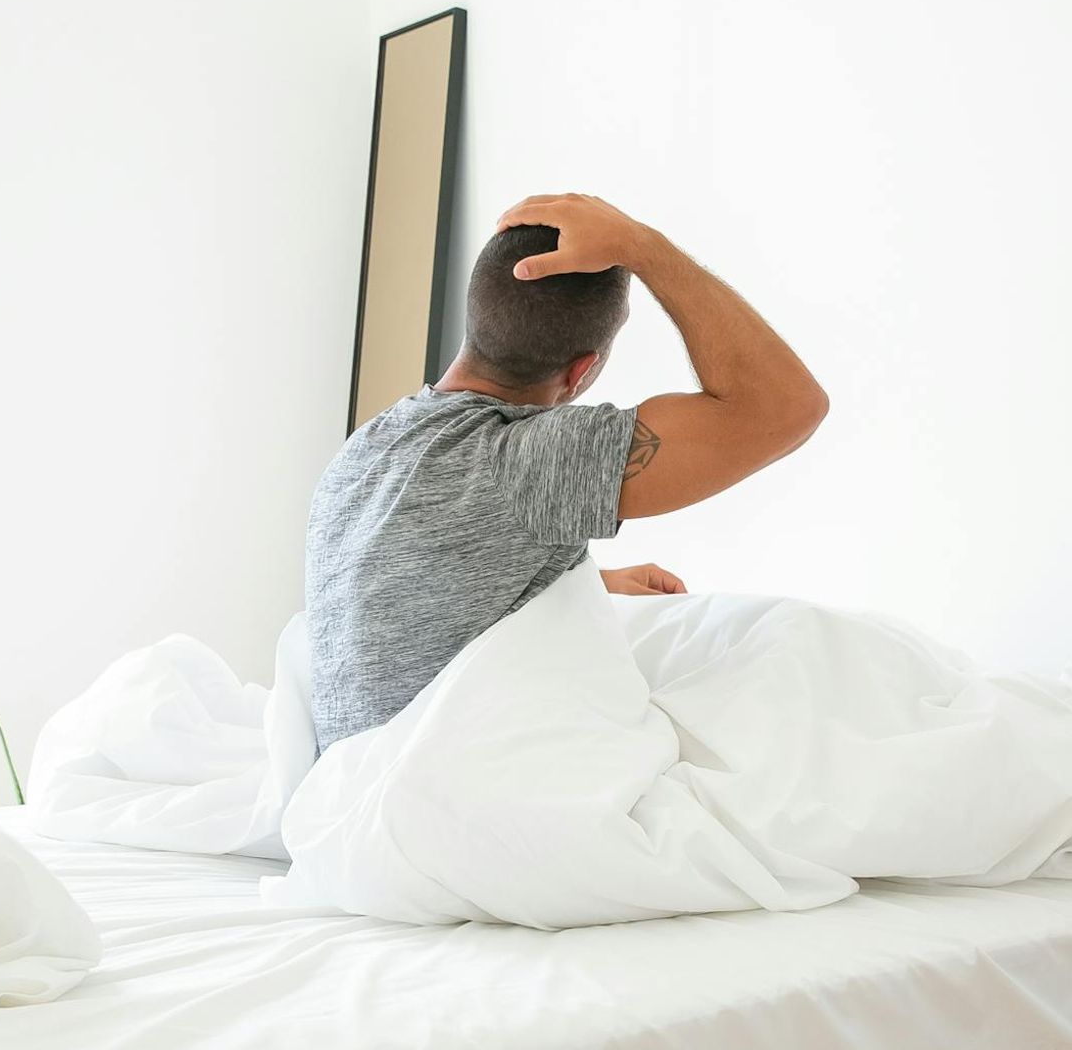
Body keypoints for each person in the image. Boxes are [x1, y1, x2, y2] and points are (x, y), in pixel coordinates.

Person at [304, 193, 828, 751]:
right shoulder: (529, 460)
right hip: (449, 806)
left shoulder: (367, 451)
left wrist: (580, 589)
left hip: (354, 793)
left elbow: (400, 601)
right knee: (803, 654)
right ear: (580, 371)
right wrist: (643, 246)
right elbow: (787, 407)